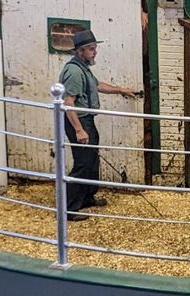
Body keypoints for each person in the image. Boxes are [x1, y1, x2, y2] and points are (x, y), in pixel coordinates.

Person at [58, 29, 136, 221]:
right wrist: (79, 130)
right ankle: (69, 208)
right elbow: (69, 103)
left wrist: (120, 90)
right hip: (79, 120)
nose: (95, 52)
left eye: (94, 48)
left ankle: (86, 198)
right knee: (83, 163)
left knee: (92, 161)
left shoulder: (83, 68)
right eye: (91, 49)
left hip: (86, 119)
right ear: (80, 51)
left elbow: (96, 85)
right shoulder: (74, 72)